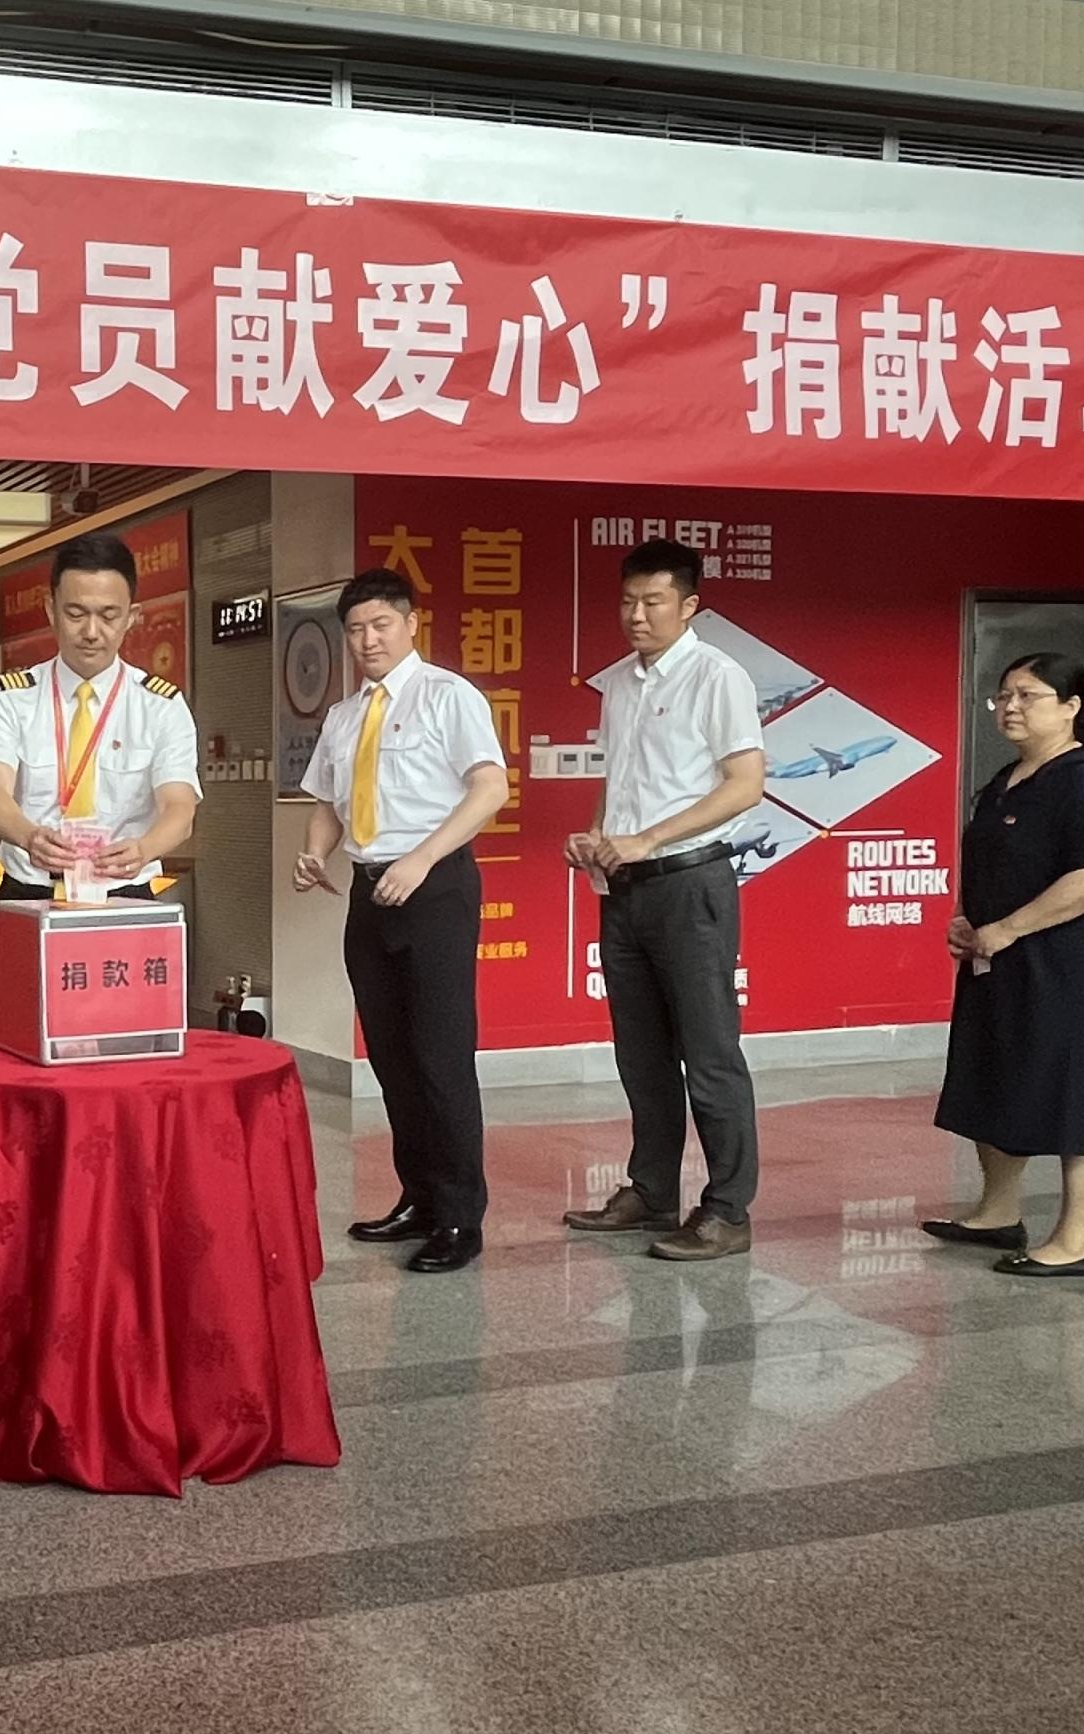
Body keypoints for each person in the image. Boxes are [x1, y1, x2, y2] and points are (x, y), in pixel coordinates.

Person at [291, 568, 509, 1275]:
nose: (368, 639)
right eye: (356, 629)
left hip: (435, 887)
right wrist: (314, 853)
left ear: (411, 623)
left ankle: (460, 1215)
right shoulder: (344, 715)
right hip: (368, 892)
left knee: (441, 1057)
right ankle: (419, 1197)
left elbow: (489, 788)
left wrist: (421, 859)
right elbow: (327, 801)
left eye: (381, 624)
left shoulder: (449, 695)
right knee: (391, 1058)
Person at [562, 538, 769, 1264]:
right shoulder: (619, 682)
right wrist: (597, 836)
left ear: (689, 606)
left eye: (653, 602)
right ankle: (651, 1190)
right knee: (641, 1053)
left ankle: (727, 1209)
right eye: (627, 601)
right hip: (624, 889)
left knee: (709, 1052)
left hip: (690, 884)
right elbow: (621, 779)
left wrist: (648, 837)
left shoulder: (718, 676)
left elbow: (746, 784)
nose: (637, 615)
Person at [927, 651, 1084, 1278]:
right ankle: (997, 1212)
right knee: (993, 1075)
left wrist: (1007, 929)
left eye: (1028, 696)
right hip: (999, 960)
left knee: (1082, 1094)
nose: (1010, 707)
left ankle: (1076, 1242)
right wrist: (967, 920)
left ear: (1071, 707)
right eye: (1003, 696)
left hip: (1069, 966)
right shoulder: (1007, 780)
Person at [0, 533, 200, 903]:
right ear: (51, 610)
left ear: (132, 617)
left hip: (125, 891)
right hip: (28, 891)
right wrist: (29, 837)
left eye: (108, 616)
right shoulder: (10, 698)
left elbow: (180, 807)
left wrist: (144, 849)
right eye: (75, 614)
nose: (92, 632)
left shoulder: (161, 706)